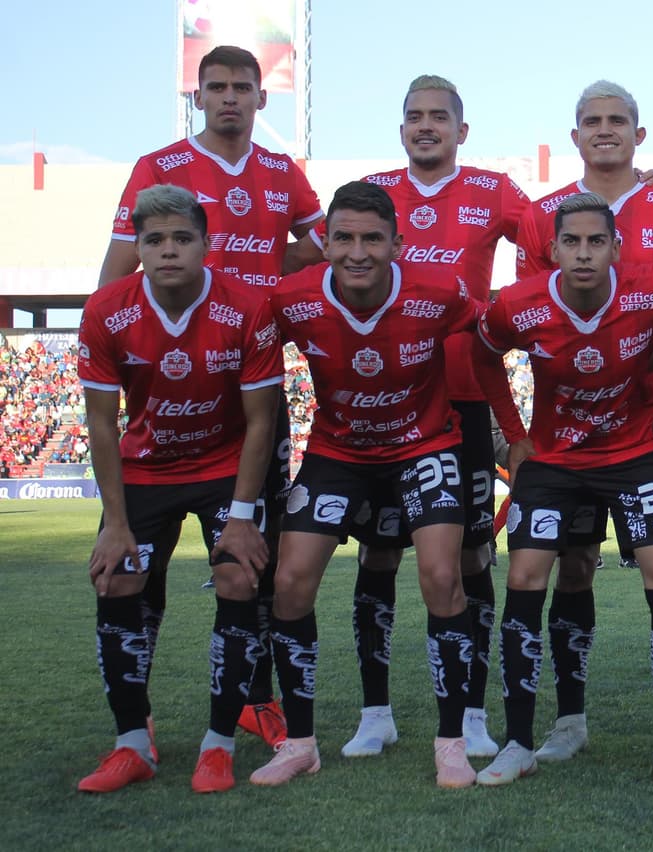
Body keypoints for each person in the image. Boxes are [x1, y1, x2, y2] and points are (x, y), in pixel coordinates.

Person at [248, 182, 524, 789]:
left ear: (398, 245)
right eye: (343, 238)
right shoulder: (291, 299)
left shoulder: (440, 290)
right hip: (338, 451)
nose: (357, 252)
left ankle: (451, 742)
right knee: (289, 583)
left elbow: (496, 338)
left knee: (443, 577)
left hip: (424, 445)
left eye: (372, 238)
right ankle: (300, 744)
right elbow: (240, 352)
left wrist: (515, 430)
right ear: (324, 242)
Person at [98, 44, 327, 750]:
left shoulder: (283, 172)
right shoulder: (158, 167)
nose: (230, 96)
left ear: (262, 98)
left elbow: (327, 248)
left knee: (256, 554)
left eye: (242, 86)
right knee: (140, 562)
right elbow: (114, 278)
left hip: (253, 381)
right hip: (175, 383)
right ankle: (136, 716)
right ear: (197, 96)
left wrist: (282, 262)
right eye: (217, 86)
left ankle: (254, 701)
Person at [474, 191, 653, 788]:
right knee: (527, 577)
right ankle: (523, 741)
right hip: (554, 461)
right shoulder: (519, 303)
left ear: (616, 248)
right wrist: (514, 434)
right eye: (572, 242)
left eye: (596, 241)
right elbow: (483, 352)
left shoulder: (652, 287)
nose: (584, 253)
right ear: (552, 250)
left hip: (634, 454)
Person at [515, 81, 653, 764]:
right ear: (575, 135)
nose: (605, 130)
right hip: (567, 431)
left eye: (617, 120)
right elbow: (527, 313)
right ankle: (569, 719)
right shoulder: (542, 215)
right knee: (573, 565)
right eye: (592, 121)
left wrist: (641, 369)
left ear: (638, 132)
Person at [335, 74, 531, 761]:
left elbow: (560, 236)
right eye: (414, 116)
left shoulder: (494, 190)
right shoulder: (371, 193)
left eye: (438, 117)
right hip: (384, 405)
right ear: (401, 129)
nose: (426, 126)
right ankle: (375, 712)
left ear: (461, 130)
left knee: (472, 556)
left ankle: (471, 712)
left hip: (465, 401)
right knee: (379, 552)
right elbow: (319, 256)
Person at [77, 185, 284, 793]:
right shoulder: (106, 310)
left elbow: (262, 422)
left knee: (239, 576)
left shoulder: (246, 307)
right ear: (138, 248)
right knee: (117, 577)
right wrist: (115, 524)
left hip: (223, 466)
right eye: (154, 240)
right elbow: (101, 424)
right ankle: (132, 744)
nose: (168, 250)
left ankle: (218, 746)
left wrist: (241, 517)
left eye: (181, 238)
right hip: (145, 468)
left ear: (206, 244)